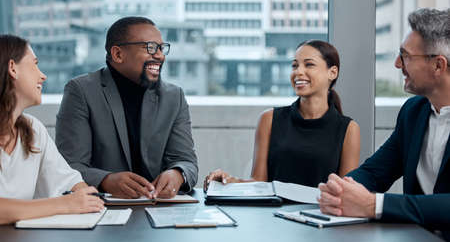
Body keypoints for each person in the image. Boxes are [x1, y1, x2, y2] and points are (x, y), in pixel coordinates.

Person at [318, 8, 450, 240]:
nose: (398, 64)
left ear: (438, 65)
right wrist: (341, 189)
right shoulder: (413, 112)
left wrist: (374, 204)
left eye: (405, 55)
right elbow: (375, 171)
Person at [56, 17, 198, 199]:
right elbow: (69, 166)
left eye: (162, 48)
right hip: (101, 210)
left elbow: (186, 161)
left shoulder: (173, 96)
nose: (160, 56)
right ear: (118, 54)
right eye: (150, 47)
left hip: (158, 207)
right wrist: (106, 180)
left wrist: (178, 174)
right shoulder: (81, 91)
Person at [205, 40, 360, 189]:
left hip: (320, 214)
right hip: (273, 214)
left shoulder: (349, 129)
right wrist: (227, 181)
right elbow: (258, 182)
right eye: (294, 66)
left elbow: (344, 192)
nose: (298, 72)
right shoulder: (269, 119)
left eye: (309, 64)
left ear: (332, 72)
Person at [0, 35, 104, 224]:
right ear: (12, 68)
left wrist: (84, 196)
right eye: (35, 64)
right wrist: (65, 204)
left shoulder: (32, 129)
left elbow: (68, 181)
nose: (43, 75)